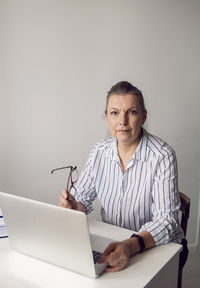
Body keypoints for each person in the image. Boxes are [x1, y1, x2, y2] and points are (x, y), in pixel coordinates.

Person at [59, 81, 187, 272]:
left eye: (132, 112)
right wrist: (73, 206)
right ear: (106, 116)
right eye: (114, 112)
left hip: (155, 246)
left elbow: (166, 221)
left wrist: (130, 245)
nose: (122, 121)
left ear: (143, 117)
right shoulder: (99, 152)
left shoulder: (162, 156)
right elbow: (82, 199)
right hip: (115, 242)